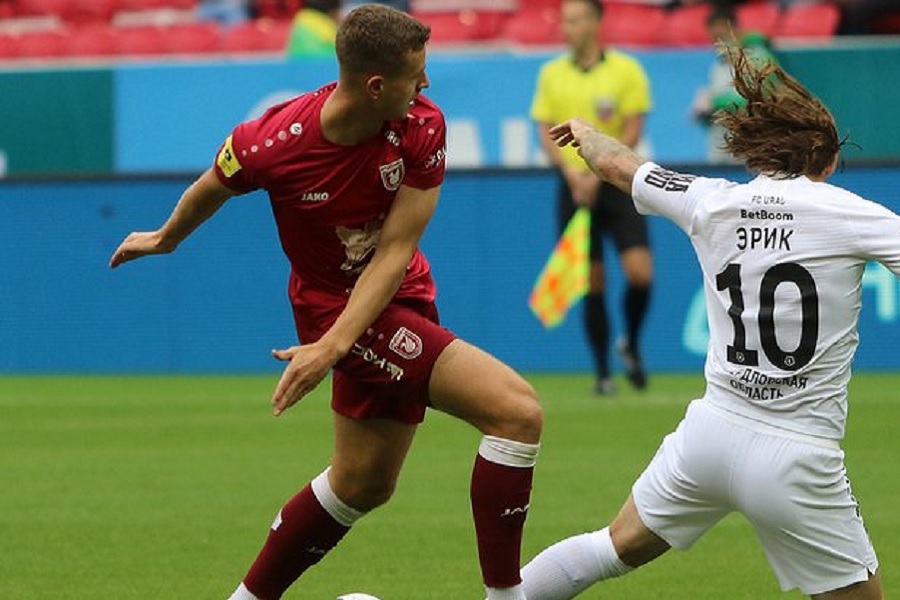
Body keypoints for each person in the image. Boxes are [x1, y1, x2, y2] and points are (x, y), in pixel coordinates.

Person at [109, 6, 542, 600]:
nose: (426, 83)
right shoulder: (272, 143)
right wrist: (166, 237)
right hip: (334, 311)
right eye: (415, 74)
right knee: (517, 413)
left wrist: (331, 349)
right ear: (375, 86)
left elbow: (396, 250)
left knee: (363, 484)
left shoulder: (423, 124)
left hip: (395, 300)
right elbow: (214, 185)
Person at [520, 46, 887, 599]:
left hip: (710, 435)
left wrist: (587, 134)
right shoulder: (851, 213)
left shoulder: (709, 200)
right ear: (829, 163)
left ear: (761, 158)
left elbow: (621, 166)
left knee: (609, 549)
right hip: (797, 452)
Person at [530, 0, 653, 395]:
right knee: (593, 280)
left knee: (640, 273)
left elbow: (633, 128)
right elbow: (545, 130)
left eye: (576, 20)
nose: (567, 27)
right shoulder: (551, 73)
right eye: (564, 20)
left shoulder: (626, 70)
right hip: (574, 189)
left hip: (617, 185)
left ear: (597, 22)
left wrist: (603, 170)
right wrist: (570, 173)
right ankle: (602, 373)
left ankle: (630, 342)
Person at [690, 4, 777, 164]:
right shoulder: (719, 65)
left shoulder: (758, 57)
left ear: (736, 30)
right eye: (714, 39)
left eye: (722, 36)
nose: (719, 44)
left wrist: (714, 103)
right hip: (722, 141)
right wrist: (704, 113)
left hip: (752, 138)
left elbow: (756, 99)